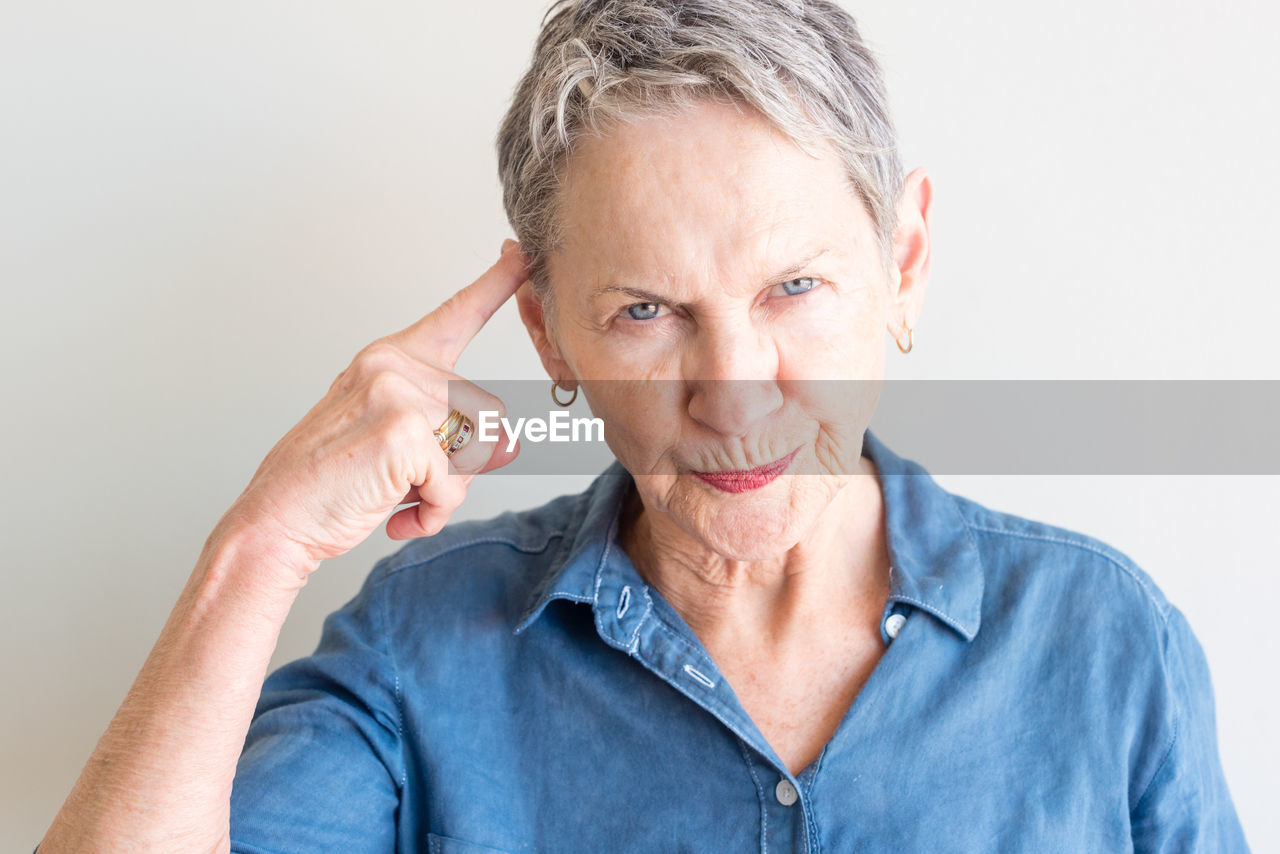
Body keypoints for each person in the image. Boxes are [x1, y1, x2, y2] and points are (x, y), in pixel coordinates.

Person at [36, 0, 1248, 851]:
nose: (731, 392)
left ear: (905, 261)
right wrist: (263, 543)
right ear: (552, 340)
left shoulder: (1105, 643)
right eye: (645, 310)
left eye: (793, 287)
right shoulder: (420, 650)